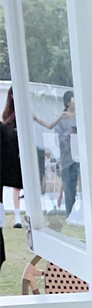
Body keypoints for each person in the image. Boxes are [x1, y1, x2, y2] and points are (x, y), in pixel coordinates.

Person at [33, 90, 80, 219]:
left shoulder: (79, 116)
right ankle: (70, 214)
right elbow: (57, 136)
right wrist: (70, 134)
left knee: (80, 185)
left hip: (80, 157)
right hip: (68, 158)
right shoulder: (63, 118)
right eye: (73, 99)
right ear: (68, 102)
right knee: (69, 187)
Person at [1, 87, 24, 228]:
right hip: (14, 152)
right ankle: (17, 216)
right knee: (16, 186)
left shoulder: (25, 112)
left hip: (21, 151)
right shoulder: (8, 116)